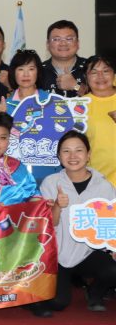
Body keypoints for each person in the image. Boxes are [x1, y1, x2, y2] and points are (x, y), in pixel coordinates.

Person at [35, 131, 116, 315]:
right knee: (58, 302)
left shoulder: (104, 186)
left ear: (88, 155)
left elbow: (112, 222)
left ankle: (95, 292)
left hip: (88, 252)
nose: (73, 156)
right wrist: (57, 206)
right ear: (59, 156)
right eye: (66, 151)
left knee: (113, 269)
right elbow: (48, 225)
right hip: (57, 254)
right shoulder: (51, 183)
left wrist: (114, 248)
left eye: (79, 150)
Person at [0, 49, 53, 184]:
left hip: (47, 171)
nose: (26, 74)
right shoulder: (5, 105)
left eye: (31, 69)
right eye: (20, 69)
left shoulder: (51, 101)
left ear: (38, 72)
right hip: (13, 173)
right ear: (13, 73)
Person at [83, 54, 116, 185]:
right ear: (86, 77)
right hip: (96, 180)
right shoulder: (79, 105)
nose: (100, 76)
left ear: (114, 74)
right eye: (94, 72)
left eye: (106, 71)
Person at [40, 20, 88, 98]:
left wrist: (76, 86)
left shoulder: (91, 67)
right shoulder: (38, 71)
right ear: (48, 44)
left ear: (78, 43)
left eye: (69, 39)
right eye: (56, 39)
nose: (63, 44)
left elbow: (103, 97)